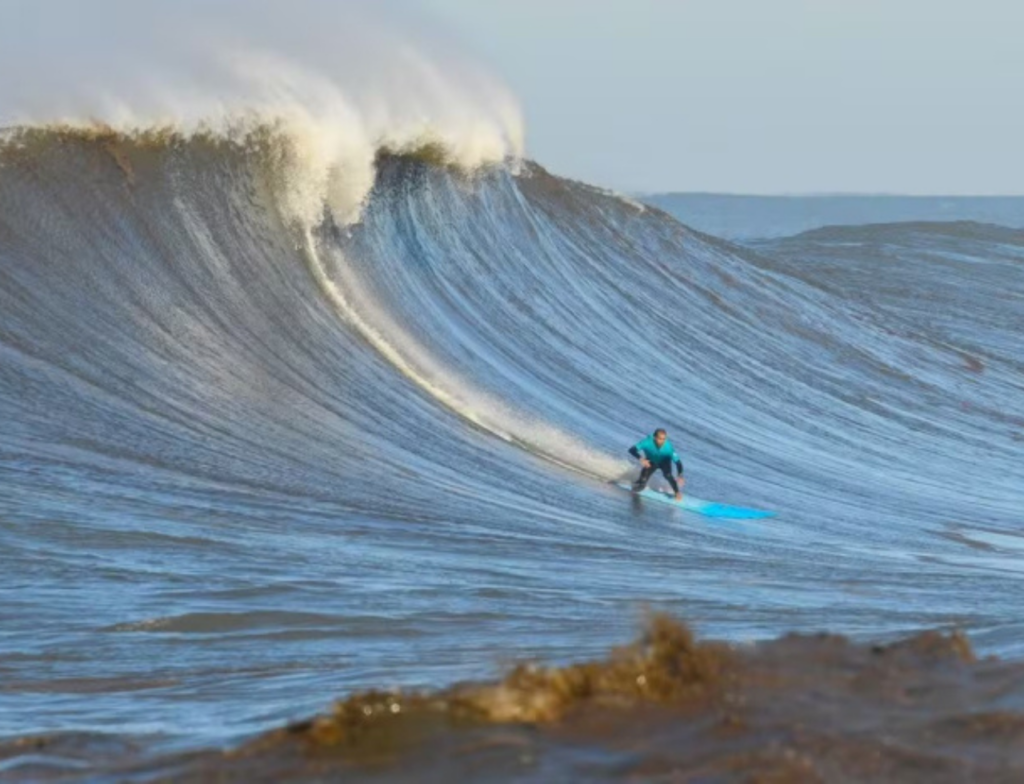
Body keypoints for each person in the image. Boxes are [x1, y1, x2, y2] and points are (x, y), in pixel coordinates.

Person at [629, 429, 685, 501]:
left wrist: (680, 475)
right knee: (641, 484)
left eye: (664, 439)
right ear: (655, 437)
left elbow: (678, 462)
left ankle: (677, 492)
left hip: (664, 462)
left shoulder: (668, 447)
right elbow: (631, 450)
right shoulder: (647, 442)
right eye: (660, 439)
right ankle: (633, 487)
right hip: (651, 462)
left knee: (668, 475)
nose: (662, 441)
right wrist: (641, 459)